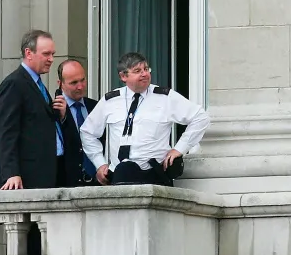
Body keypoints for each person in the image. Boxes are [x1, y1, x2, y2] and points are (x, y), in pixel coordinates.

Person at [0, 29, 75, 255]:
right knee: (24, 248)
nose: (52, 59)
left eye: (53, 53)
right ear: (29, 53)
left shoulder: (39, 85)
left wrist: (60, 116)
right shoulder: (15, 83)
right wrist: (11, 173)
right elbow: (6, 133)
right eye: (46, 54)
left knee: (36, 246)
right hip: (25, 180)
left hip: (46, 178)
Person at [79, 52, 210, 186]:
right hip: (119, 175)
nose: (144, 74)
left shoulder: (165, 97)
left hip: (153, 174)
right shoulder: (111, 100)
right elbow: (88, 132)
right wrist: (100, 164)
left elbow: (200, 117)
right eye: (137, 71)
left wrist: (179, 149)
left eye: (146, 69)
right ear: (123, 76)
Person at [56, 59, 102, 185]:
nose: (80, 86)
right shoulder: (53, 110)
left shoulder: (95, 106)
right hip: (67, 184)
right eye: (74, 83)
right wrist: (63, 118)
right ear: (60, 84)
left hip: (97, 182)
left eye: (83, 80)